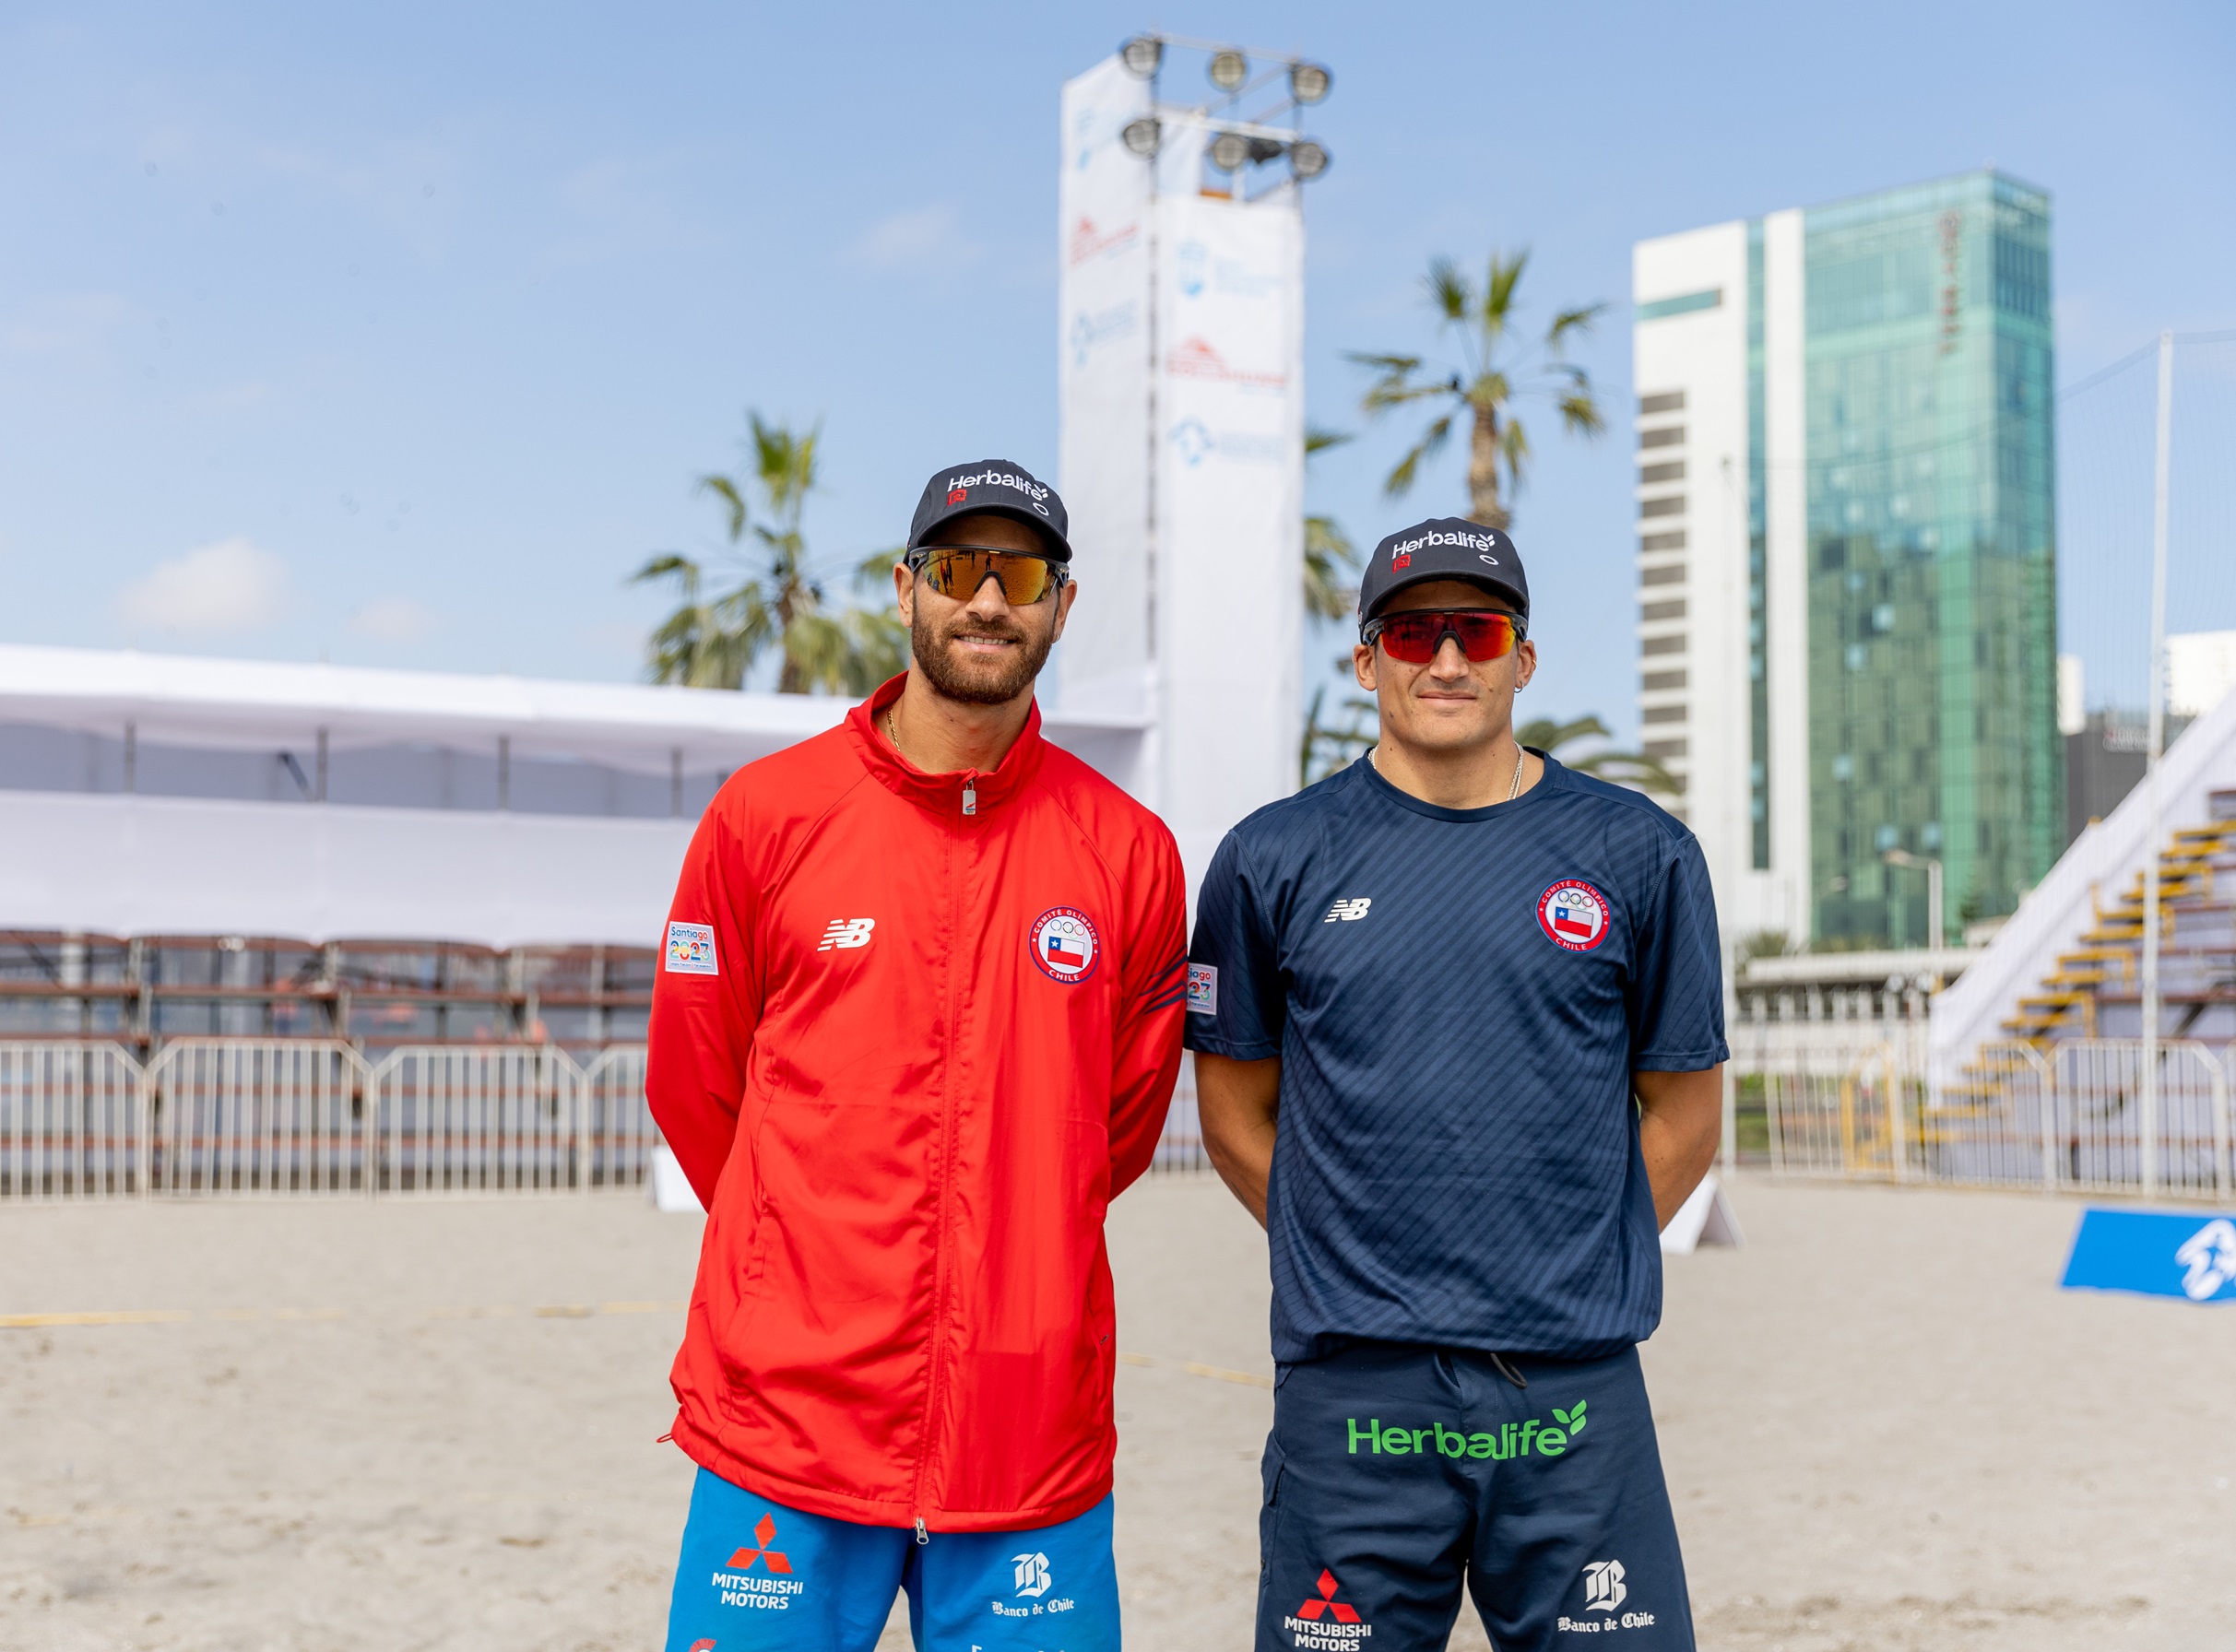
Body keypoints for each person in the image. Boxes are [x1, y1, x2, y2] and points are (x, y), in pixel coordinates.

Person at [647, 459, 1189, 1652]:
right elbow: (695, 1088)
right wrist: (798, 1251)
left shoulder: (1130, 851)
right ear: (905, 591)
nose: (987, 600)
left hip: (1026, 1422)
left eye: (1021, 573)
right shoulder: (765, 816)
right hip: (788, 1417)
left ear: (1061, 603)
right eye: (957, 568)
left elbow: (1116, 1131)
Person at [1185, 517, 1728, 1652]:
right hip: (1352, 1394)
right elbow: (1234, 1113)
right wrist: (1349, 1253)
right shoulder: (1270, 856)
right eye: (1412, 630)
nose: (1444, 659)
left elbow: (1683, 1111)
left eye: (1474, 630)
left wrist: (1572, 1259)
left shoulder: (1639, 853)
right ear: (1366, 659)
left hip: (1573, 1389)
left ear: (1520, 657)